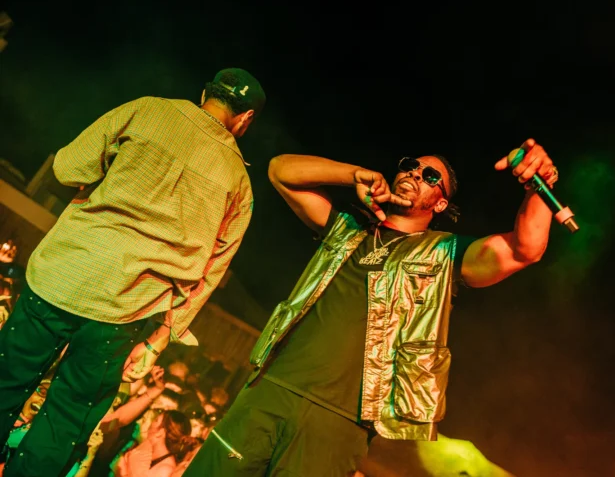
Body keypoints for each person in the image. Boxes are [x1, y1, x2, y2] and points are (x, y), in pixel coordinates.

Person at [185, 139, 560, 476]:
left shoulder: (445, 253)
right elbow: (280, 170)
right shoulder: (347, 228)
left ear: (441, 203)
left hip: (340, 423)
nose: (415, 173)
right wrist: (354, 175)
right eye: (410, 165)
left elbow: (525, 249)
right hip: (271, 389)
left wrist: (539, 185)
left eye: (430, 176)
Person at [0, 67, 266, 476]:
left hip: (62, 274)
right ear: (245, 119)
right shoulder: (239, 184)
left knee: (5, 381)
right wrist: (158, 341)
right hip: (124, 309)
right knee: (66, 420)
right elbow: (209, 275)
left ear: (204, 95)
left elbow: (67, 168)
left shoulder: (146, 111)